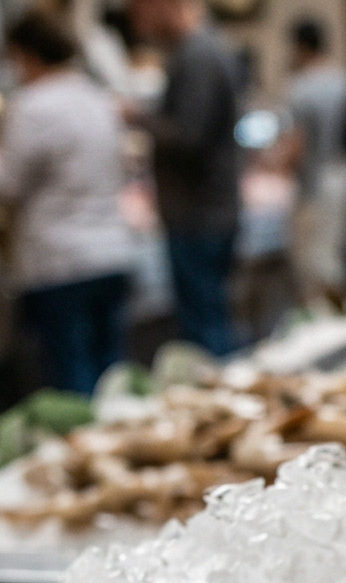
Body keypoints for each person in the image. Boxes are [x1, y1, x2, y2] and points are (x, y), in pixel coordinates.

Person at [0, 11, 136, 396]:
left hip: (61, 261)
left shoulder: (33, 106)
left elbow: (7, 185)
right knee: (113, 381)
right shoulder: (97, 96)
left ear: (26, 55)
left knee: (75, 385)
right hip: (112, 249)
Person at [126, 0, 245, 357]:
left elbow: (190, 137)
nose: (137, 18)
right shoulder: (199, 51)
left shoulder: (197, 55)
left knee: (207, 333)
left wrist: (138, 117)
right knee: (209, 322)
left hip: (200, 213)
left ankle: (228, 409)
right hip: (204, 211)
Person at [283, 16, 346, 303]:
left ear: (299, 46)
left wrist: (274, 161)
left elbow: (296, 148)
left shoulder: (301, 87)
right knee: (339, 267)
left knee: (313, 277)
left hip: (314, 190)